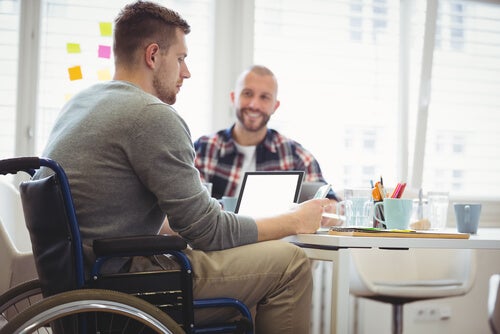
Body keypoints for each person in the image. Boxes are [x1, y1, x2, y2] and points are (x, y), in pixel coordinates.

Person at [35, 2, 331, 333]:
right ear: (152, 56)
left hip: (82, 280)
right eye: (180, 58)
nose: (186, 71)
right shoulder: (150, 115)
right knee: (290, 263)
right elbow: (209, 231)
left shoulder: (81, 102)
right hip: (131, 284)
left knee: (251, 269)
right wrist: (296, 220)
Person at [194, 65, 340, 202]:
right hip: (221, 230)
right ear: (233, 98)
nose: (254, 105)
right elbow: (187, 207)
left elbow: (329, 203)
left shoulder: (296, 156)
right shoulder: (203, 150)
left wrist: (326, 209)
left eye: (264, 97)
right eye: (247, 94)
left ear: (275, 106)